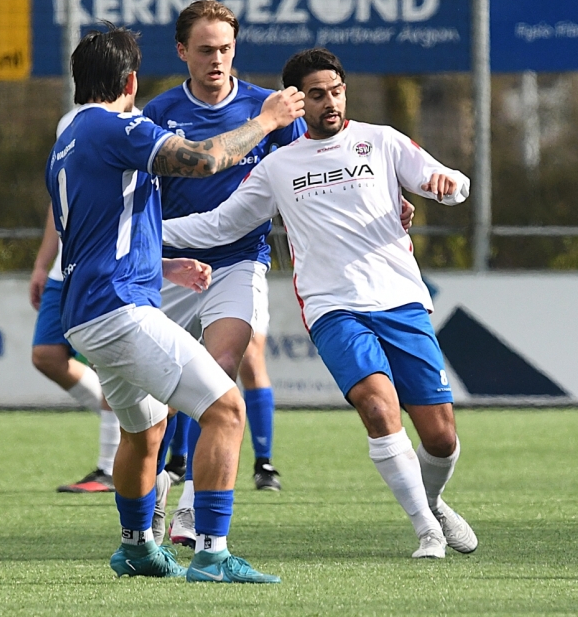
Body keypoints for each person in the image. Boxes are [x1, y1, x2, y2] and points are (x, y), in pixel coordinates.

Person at [162, 47, 478, 559]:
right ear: (296, 101)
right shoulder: (278, 166)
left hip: (401, 301)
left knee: (441, 437)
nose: (329, 102)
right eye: (316, 95)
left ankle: (434, 502)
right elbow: (219, 224)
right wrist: (143, 231)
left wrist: (448, 187)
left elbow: (448, 180)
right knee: (377, 406)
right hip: (333, 308)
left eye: (336, 91)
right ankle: (427, 530)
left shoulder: (382, 141)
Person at [46, 23, 304, 582]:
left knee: (144, 431)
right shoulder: (118, 126)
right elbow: (204, 160)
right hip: (120, 310)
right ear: (130, 82)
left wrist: (163, 266)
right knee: (226, 410)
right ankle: (211, 553)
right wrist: (265, 121)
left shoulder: (66, 141)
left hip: (88, 311)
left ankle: (137, 547)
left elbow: (96, 232)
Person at [30, 106, 121, 493]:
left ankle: (110, 468)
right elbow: (60, 199)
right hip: (63, 269)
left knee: (110, 364)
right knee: (46, 355)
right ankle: (127, 424)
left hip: (102, 264)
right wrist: (41, 264)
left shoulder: (135, 125)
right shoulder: (67, 122)